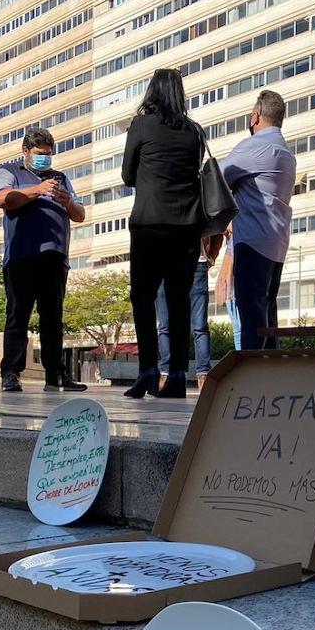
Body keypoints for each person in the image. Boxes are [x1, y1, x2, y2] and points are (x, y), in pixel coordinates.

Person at [121, 69, 205, 399]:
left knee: (143, 297)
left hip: (150, 223)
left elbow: (127, 174)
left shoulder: (141, 125)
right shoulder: (194, 131)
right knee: (178, 299)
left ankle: (148, 371)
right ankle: (178, 376)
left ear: (152, 92)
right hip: (187, 225)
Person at [0, 127, 87, 393]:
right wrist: (37, 190)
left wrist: (67, 201)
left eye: (48, 153)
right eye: (39, 153)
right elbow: (1, 199)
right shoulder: (10, 171)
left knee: (53, 317)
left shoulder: (61, 178)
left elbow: (80, 214)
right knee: (18, 315)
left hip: (54, 256)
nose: (44, 158)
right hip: (21, 255)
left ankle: (55, 374)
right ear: (26, 151)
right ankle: (11, 372)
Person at [220, 91, 297, 351]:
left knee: (251, 318)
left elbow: (217, 180)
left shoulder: (254, 146)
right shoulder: (286, 154)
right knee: (267, 318)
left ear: (256, 116)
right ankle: (269, 371)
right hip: (277, 244)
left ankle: (252, 372)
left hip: (252, 241)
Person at [157, 234, 222, 391]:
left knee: (199, 326)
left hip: (195, 264)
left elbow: (217, 229)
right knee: (165, 325)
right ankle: (166, 373)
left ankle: (203, 374)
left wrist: (210, 258)